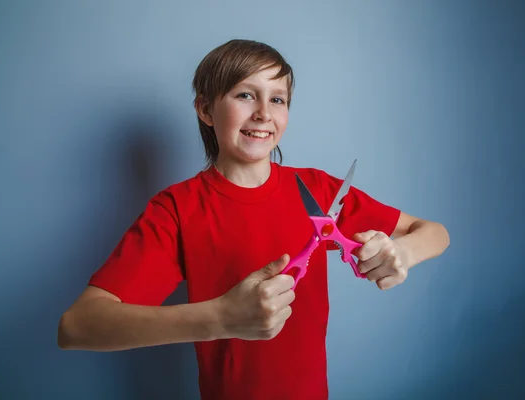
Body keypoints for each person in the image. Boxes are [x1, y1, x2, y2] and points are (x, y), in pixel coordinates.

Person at [58, 39, 450, 399]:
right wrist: (219, 318)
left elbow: (435, 233)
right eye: (245, 95)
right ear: (206, 108)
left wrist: (401, 253)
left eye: (278, 100)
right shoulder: (177, 209)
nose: (264, 113)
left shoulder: (319, 191)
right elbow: (78, 326)